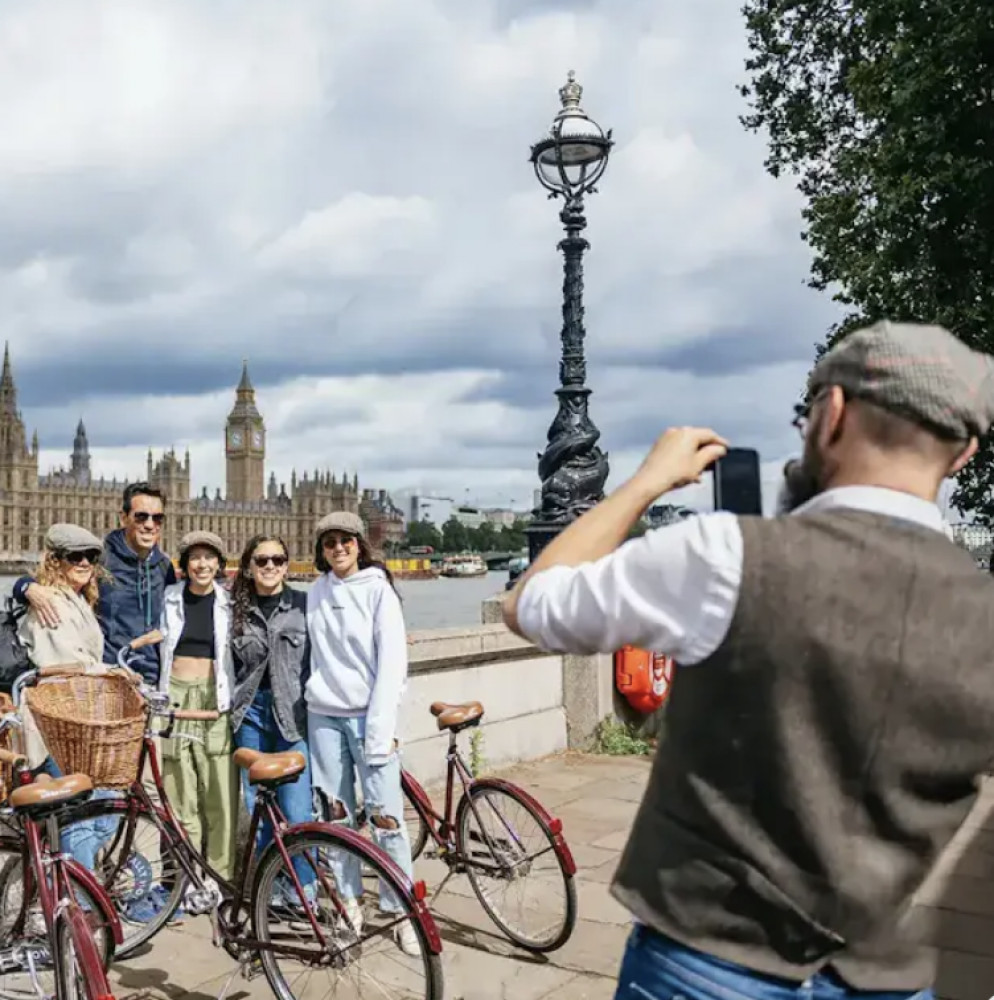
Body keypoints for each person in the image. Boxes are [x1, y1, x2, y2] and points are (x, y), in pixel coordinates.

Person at [502, 320, 994, 1000]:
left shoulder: (726, 556)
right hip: (884, 976)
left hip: (706, 962)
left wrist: (645, 483)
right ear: (965, 453)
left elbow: (529, 603)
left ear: (834, 414)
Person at [305, 511, 419, 955]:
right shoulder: (315, 592)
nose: (338, 548)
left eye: (346, 541)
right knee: (336, 819)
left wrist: (381, 729)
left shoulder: (379, 591)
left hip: (368, 719)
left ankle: (400, 909)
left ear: (359, 545)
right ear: (321, 548)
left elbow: (393, 664)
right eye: (330, 541)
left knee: (387, 820)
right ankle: (349, 902)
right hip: (324, 718)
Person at [13, 482, 176, 684]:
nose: (150, 525)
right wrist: (27, 587)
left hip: (154, 679)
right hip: (108, 677)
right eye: (141, 516)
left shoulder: (164, 566)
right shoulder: (98, 558)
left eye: (157, 518)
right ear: (124, 518)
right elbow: (52, 578)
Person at [230, 534, 313, 897]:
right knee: (259, 813)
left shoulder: (305, 605)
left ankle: (303, 894)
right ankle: (270, 894)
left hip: (292, 717)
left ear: (287, 564)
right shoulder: (231, 610)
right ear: (248, 566)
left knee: (297, 814)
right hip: (250, 717)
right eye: (261, 560)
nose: (269, 567)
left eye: (277, 560)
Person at [158, 531, 237, 881]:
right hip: (174, 696)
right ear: (185, 563)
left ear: (219, 564)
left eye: (209, 557)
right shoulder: (168, 597)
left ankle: (219, 876)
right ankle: (188, 877)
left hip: (213, 698)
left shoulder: (231, 602)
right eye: (195, 557)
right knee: (180, 794)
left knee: (220, 793)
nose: (202, 564)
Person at [17, 523, 106, 774]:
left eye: (91, 556)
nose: (85, 562)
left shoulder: (78, 599)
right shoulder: (50, 602)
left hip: (75, 721)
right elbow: (68, 665)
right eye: (75, 556)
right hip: (56, 728)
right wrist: (115, 673)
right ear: (55, 561)